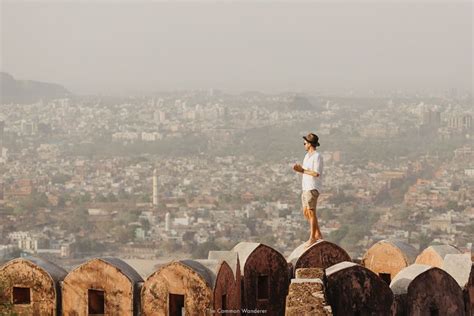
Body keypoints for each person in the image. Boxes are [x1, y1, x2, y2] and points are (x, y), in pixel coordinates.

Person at [293, 133, 324, 248]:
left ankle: (312, 237)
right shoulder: (307, 156)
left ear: (310, 144)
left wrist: (301, 170)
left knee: (311, 211)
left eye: (305, 143)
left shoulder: (317, 156)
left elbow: (316, 173)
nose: (304, 145)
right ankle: (318, 234)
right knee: (306, 212)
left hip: (312, 186)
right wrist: (300, 170)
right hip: (305, 187)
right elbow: (306, 171)